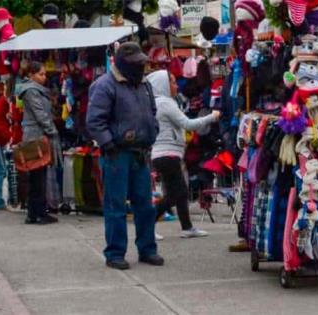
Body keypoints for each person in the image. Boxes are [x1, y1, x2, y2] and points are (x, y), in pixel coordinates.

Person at [86, 42, 163, 270]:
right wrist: (108, 143)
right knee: (116, 205)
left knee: (145, 206)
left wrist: (153, 130)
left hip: (140, 152)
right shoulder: (105, 85)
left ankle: (148, 249)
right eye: (137, 64)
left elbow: (152, 112)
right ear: (123, 63)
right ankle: (115, 253)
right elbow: (94, 120)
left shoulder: (143, 85)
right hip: (117, 153)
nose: (141, 67)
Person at [147, 70, 220, 239]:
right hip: (168, 155)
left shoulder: (158, 102)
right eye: (172, 82)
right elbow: (188, 124)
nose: (176, 85)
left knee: (179, 192)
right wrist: (211, 117)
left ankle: (187, 227)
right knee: (175, 194)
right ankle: (147, 224)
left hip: (164, 154)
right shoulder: (165, 103)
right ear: (163, 85)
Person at [19, 61, 61, 225]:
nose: (44, 77)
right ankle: (37, 213)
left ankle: (36, 212)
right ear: (31, 75)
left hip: (37, 135)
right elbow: (40, 114)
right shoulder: (31, 91)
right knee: (37, 175)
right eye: (40, 74)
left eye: (44, 74)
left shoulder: (36, 90)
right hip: (35, 136)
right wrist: (52, 130)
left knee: (39, 175)